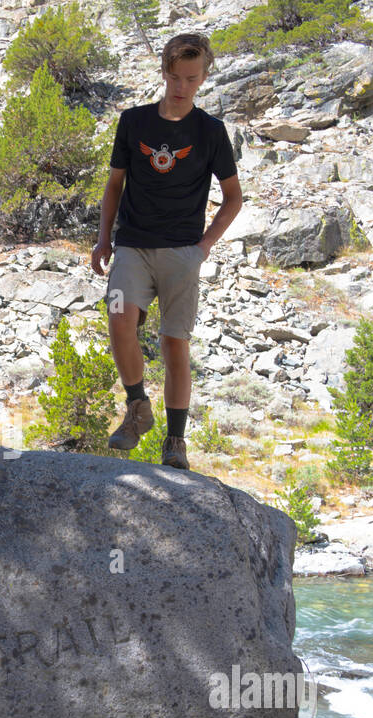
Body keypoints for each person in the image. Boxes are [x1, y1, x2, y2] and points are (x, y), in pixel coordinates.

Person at [90, 32, 244, 470]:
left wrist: (204, 247)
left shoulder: (211, 132)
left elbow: (233, 198)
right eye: (174, 77)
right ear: (164, 73)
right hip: (133, 245)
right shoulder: (134, 121)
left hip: (182, 252)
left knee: (174, 344)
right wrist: (104, 238)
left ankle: (175, 442)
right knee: (120, 318)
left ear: (204, 77)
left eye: (191, 79)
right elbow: (115, 184)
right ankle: (138, 407)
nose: (181, 87)